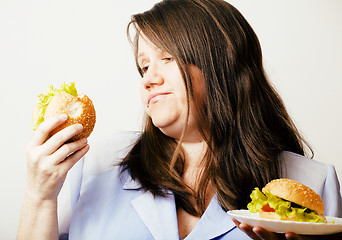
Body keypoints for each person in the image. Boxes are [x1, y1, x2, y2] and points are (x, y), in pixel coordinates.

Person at [17, 0, 342, 239]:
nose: (147, 79)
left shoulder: (311, 182)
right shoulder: (95, 163)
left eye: (167, 58)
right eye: (144, 67)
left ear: (223, 64)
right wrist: (39, 196)